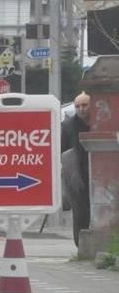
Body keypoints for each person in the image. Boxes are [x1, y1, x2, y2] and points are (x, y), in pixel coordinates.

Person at [61, 92, 91, 245]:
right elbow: (62, 150)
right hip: (76, 174)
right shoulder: (68, 126)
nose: (81, 109)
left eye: (85, 105)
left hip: (96, 171)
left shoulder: (98, 122)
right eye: (78, 106)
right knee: (79, 212)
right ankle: (80, 244)